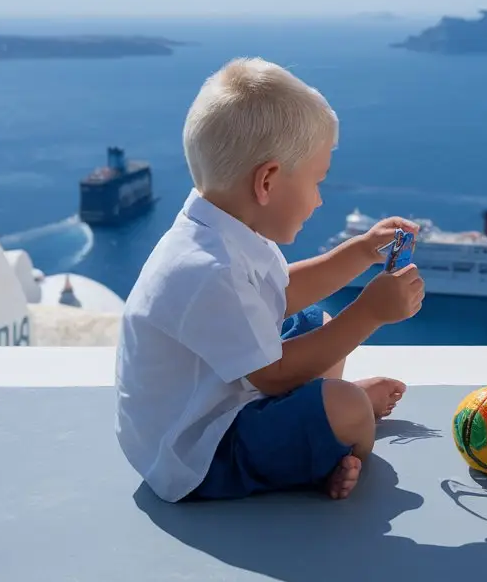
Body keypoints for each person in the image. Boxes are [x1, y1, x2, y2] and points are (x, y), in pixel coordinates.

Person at [116, 57, 425, 505]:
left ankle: (316, 429)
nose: (319, 200)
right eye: (317, 182)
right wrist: (370, 313)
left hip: (216, 398)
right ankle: (327, 449)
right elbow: (276, 378)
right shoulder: (207, 269)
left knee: (316, 322)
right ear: (267, 181)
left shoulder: (222, 225)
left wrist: (360, 253)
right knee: (349, 410)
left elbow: (279, 294)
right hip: (199, 454)